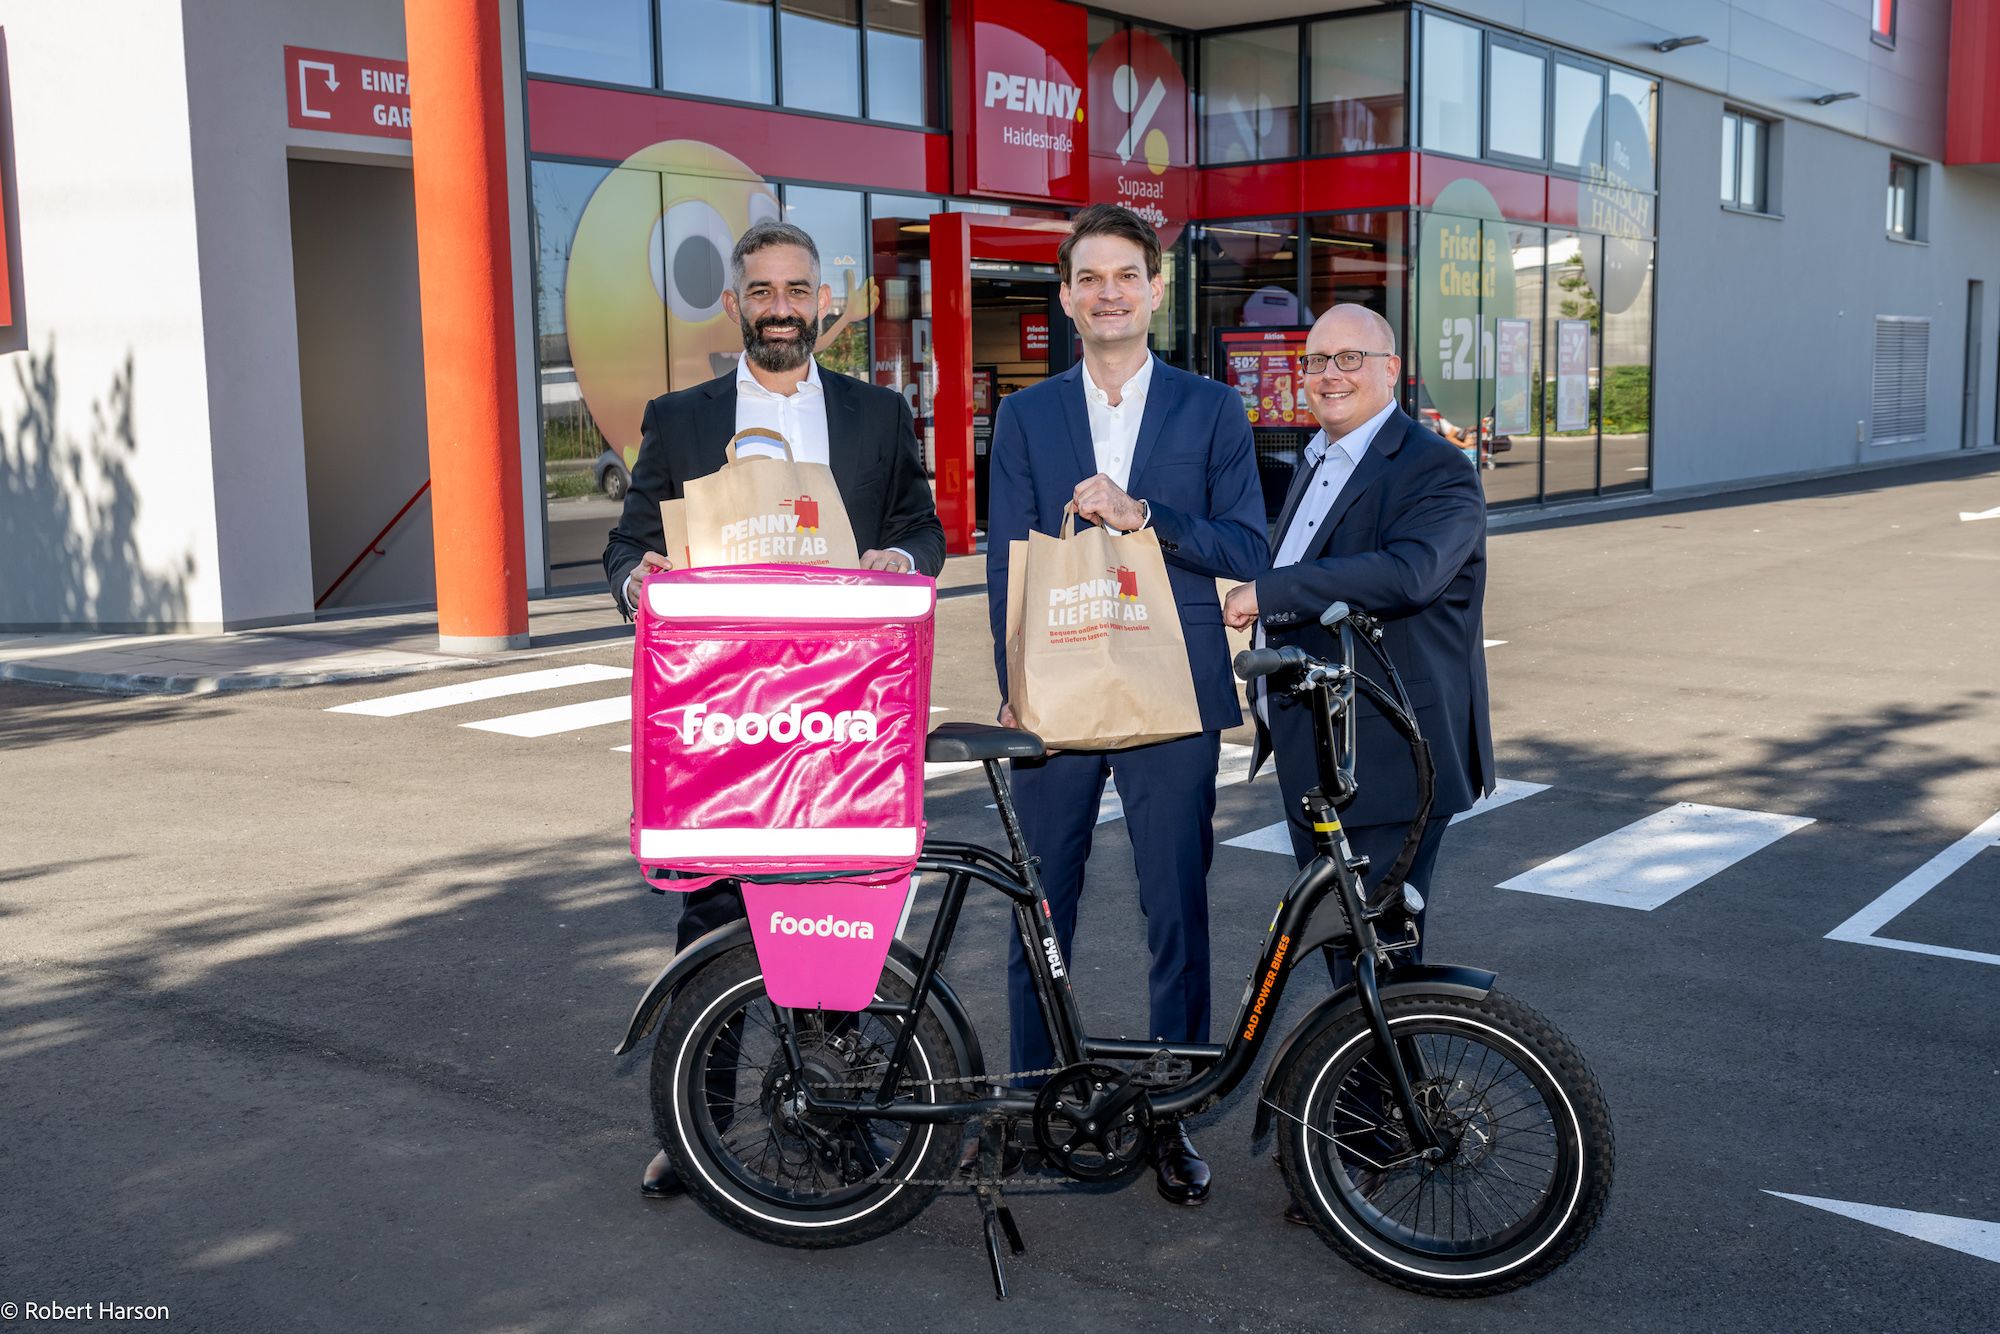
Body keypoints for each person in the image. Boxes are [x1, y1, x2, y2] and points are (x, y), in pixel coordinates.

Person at [603, 219, 946, 1198]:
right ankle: (693, 1128)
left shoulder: (878, 414)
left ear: (822, 304)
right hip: (721, 718)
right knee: (713, 921)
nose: (781, 308)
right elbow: (626, 545)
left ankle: (837, 1122)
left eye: (796, 290)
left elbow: (921, 528)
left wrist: (900, 556)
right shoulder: (680, 419)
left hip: (841, 717)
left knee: (832, 916)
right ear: (734, 305)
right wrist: (637, 581)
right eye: (762, 292)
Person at [985, 204, 1268, 1207]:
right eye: (1088, 278)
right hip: (1055, 691)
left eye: (1124, 276)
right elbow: (1006, 559)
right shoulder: (1026, 416)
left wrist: (1145, 514)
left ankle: (1170, 1113)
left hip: (1171, 688)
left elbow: (1248, 545)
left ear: (1155, 289)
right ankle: (1032, 1100)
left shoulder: (1211, 409)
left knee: (1175, 906)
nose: (1107, 293)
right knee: (1038, 903)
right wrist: (1013, 681)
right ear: (1065, 297)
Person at [1220, 304, 1492, 1222]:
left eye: (1348, 357)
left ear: (1390, 367)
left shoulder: (1437, 468)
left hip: (1389, 753)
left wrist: (1268, 593)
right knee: (1353, 955)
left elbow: (1410, 573)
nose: (1328, 374)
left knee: (1379, 961)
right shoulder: (1318, 460)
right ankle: (1360, 1135)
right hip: (1324, 753)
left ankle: (1374, 1147)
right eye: (1315, 360)